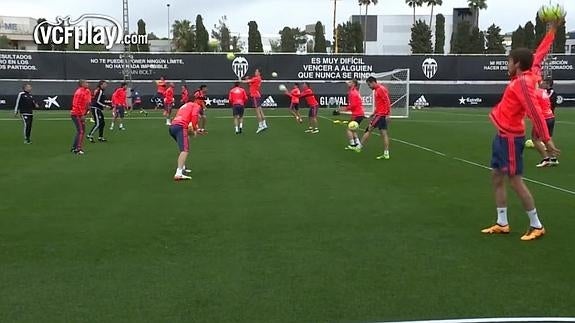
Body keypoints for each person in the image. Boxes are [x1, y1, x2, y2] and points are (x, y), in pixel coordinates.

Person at [481, 24, 561, 242]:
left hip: (510, 138)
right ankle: (502, 222)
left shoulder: (523, 84)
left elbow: (535, 113)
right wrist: (552, 32)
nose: (507, 64)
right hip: (501, 135)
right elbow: (540, 53)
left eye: (509, 61)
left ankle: (537, 225)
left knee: (515, 181)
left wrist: (547, 140)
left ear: (517, 64)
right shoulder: (528, 71)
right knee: (496, 176)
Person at [356, 77, 392, 159]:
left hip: (381, 115)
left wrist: (388, 114)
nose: (369, 87)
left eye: (369, 85)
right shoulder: (377, 90)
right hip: (380, 113)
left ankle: (359, 147)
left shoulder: (380, 89)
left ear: (373, 82)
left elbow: (387, 101)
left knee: (369, 129)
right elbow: (380, 104)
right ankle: (386, 153)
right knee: (384, 133)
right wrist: (374, 112)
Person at [169, 101, 202, 181]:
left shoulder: (185, 105)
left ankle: (182, 167)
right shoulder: (196, 106)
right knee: (184, 150)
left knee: (183, 146)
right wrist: (195, 128)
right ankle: (179, 173)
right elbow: (194, 116)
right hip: (181, 127)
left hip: (173, 126)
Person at [533, 80, 559, 168]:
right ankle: (553, 158)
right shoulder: (543, 92)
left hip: (542, 118)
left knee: (535, 138)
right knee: (547, 138)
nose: (541, 83)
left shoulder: (535, 93)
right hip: (550, 116)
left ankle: (546, 158)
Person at [340, 79, 365, 150]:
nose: (348, 83)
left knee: (349, 129)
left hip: (357, 114)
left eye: (350, 82)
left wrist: (344, 109)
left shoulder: (352, 93)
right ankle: (357, 143)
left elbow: (353, 105)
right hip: (360, 114)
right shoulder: (355, 92)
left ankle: (352, 144)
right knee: (353, 129)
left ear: (353, 84)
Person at [244, 69, 268, 133]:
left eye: (256, 71)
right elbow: (251, 84)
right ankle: (264, 124)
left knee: (257, 112)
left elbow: (247, 82)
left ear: (259, 73)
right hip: (257, 95)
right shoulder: (258, 78)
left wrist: (240, 80)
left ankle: (260, 126)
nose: (255, 72)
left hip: (255, 96)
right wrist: (247, 80)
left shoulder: (256, 78)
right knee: (260, 110)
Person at [71, 80, 91, 155]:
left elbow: (87, 102)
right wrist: (82, 115)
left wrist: (87, 111)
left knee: (81, 131)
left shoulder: (86, 91)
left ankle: (74, 147)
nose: (87, 84)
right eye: (86, 83)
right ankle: (77, 148)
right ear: (82, 84)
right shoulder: (79, 92)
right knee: (81, 131)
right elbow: (76, 104)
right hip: (76, 114)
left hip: (81, 113)